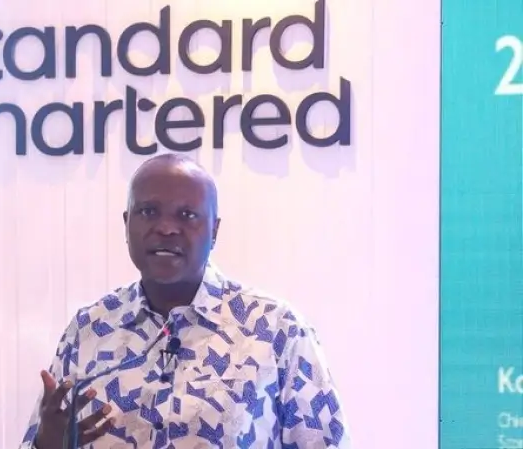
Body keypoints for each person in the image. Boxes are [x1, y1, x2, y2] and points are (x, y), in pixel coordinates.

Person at [18, 154, 350, 448]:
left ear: (214, 231)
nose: (166, 228)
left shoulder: (276, 329)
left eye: (187, 215)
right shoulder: (89, 329)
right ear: (127, 224)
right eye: (149, 212)